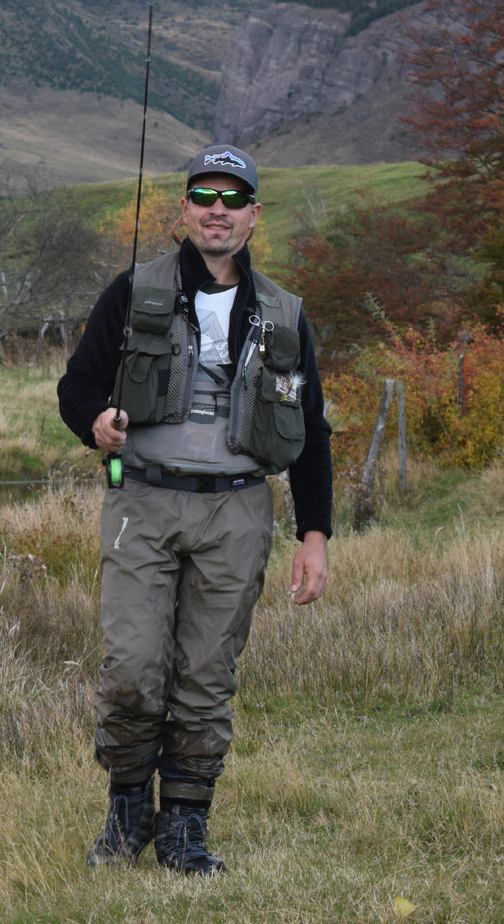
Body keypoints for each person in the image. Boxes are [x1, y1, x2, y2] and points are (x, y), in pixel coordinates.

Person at [57, 144, 334, 875]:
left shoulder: (284, 314)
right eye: (204, 197)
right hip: (140, 501)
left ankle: (184, 826)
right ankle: (126, 810)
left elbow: (312, 435)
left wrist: (314, 535)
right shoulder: (132, 290)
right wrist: (96, 423)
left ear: (252, 216)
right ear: (182, 210)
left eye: (233, 199)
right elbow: (75, 385)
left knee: (207, 677)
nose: (218, 211)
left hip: (238, 513)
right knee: (131, 667)